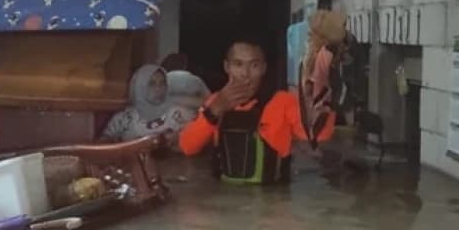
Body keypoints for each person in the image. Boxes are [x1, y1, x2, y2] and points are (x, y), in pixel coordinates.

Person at [179, 36, 337, 184]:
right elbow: (188, 147)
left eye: (254, 65)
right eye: (238, 64)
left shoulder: (283, 101)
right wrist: (214, 111)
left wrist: (320, 101)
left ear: (263, 68)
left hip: (272, 201)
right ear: (227, 67)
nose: (245, 74)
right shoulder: (215, 101)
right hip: (225, 200)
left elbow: (320, 136)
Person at [100, 64, 195, 150]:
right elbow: (102, 145)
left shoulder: (179, 113)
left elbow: (198, 143)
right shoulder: (124, 118)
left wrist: (179, 139)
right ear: (140, 86)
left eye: (162, 83)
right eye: (152, 84)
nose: (158, 89)